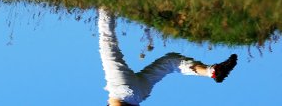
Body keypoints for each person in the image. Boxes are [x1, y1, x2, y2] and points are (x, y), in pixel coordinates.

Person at [98, 7, 238, 105]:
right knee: (107, 43)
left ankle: (211, 71)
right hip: (121, 92)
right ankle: (106, 1)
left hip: (139, 95)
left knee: (171, 62)